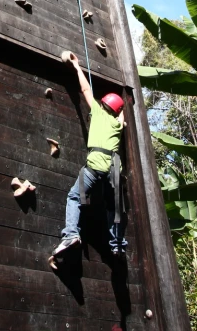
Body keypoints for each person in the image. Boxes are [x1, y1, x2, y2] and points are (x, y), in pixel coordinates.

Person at [49, 51, 128, 270]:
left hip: (93, 168)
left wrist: (76, 67)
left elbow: (85, 89)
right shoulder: (117, 124)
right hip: (112, 171)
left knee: (76, 197)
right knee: (114, 208)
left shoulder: (97, 112)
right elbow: (121, 117)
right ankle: (117, 245)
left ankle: (72, 234)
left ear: (103, 104)